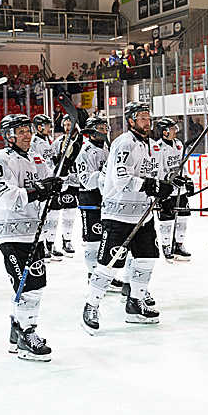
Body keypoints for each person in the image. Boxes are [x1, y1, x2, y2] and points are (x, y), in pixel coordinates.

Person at [81, 102, 168, 334]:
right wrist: (151, 185)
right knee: (109, 265)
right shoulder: (124, 143)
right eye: (142, 117)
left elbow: (156, 177)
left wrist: (171, 186)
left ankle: (135, 304)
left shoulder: (153, 146)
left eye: (148, 117)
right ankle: (91, 306)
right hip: (118, 216)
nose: (147, 121)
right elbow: (122, 180)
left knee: (146, 259)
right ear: (131, 121)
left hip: (143, 215)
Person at [0, 113, 57, 362]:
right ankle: (27, 334)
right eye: (21, 132)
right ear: (9, 136)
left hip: (32, 233)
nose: (27, 135)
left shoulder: (35, 157)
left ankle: (17, 331)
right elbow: (7, 196)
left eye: (28, 130)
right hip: (11, 234)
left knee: (36, 286)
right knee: (26, 286)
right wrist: (39, 190)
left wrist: (56, 182)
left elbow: (50, 179)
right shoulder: (2, 159)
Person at [75, 115, 110, 282]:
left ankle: (102, 274)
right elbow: (87, 181)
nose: (104, 131)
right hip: (90, 199)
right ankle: (92, 275)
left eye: (105, 128)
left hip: (105, 198)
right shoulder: (85, 152)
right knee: (93, 240)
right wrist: (106, 173)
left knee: (105, 239)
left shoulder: (106, 148)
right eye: (100, 128)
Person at [153, 118, 192, 263]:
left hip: (180, 190)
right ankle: (166, 246)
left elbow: (182, 164)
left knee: (183, 217)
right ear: (164, 132)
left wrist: (187, 179)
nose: (175, 131)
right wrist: (169, 178)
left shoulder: (179, 144)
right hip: (166, 190)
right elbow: (156, 170)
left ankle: (178, 245)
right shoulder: (157, 147)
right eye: (172, 129)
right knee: (167, 219)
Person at [29, 114, 63, 261]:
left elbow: (50, 158)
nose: (49, 128)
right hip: (43, 182)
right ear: (39, 127)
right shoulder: (34, 142)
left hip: (52, 181)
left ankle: (51, 244)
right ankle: (42, 246)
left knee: (54, 215)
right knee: (44, 216)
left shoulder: (48, 140)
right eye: (47, 125)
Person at [52, 114, 83, 256]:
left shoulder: (83, 141)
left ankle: (76, 239)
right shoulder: (58, 142)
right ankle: (63, 241)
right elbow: (52, 160)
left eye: (69, 124)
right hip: (66, 181)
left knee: (77, 213)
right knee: (66, 212)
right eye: (65, 125)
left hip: (81, 182)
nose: (66, 127)